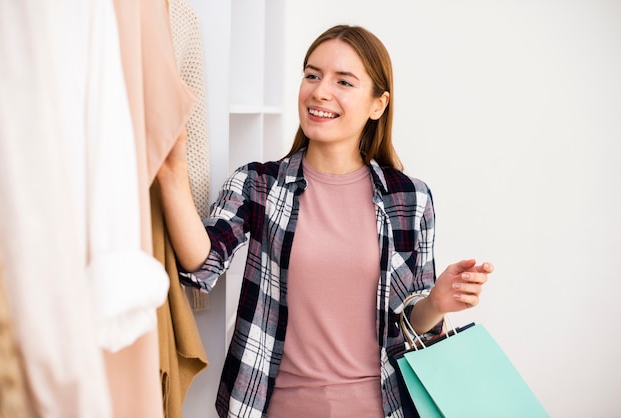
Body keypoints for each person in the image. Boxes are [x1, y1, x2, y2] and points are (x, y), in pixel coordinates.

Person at [157, 24, 493, 418]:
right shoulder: (258, 184)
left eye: (344, 81)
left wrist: (436, 302)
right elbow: (202, 262)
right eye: (312, 75)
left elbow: (414, 330)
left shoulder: (409, 198)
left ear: (378, 105)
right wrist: (171, 173)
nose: (320, 91)